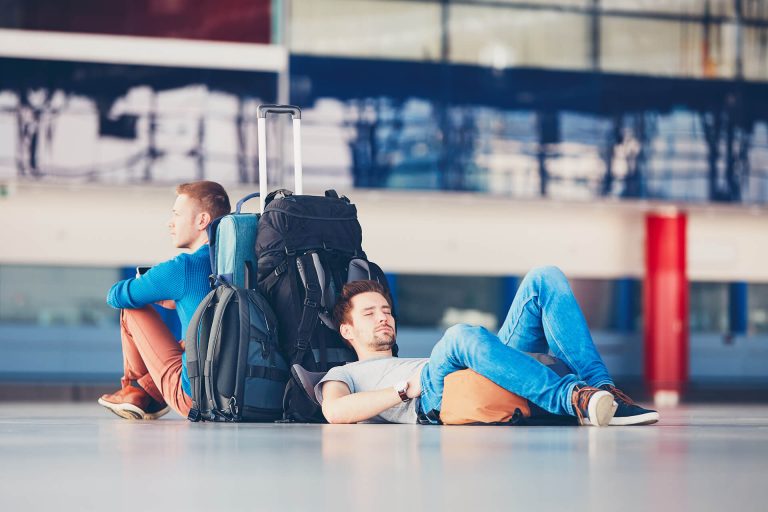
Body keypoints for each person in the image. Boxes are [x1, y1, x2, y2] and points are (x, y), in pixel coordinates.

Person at [316, 267, 660, 426]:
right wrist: (406, 389)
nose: (383, 318)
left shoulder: (411, 358)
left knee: (545, 278)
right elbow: (335, 412)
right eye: (370, 313)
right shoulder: (343, 373)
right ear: (347, 329)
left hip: (467, 370)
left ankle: (604, 392)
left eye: (387, 311)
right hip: (432, 397)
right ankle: (574, 398)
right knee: (458, 335)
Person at [98, 181, 230, 420]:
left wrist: (148, 283)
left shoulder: (184, 267)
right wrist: (176, 301)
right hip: (236, 394)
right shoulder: (238, 265)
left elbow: (115, 296)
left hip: (196, 398)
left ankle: (136, 392)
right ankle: (143, 392)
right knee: (195, 339)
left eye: (177, 214)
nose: (171, 222)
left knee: (132, 309)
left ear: (202, 221)